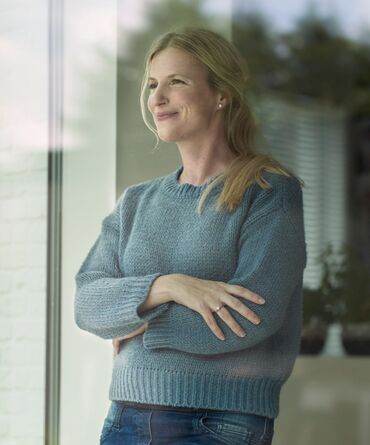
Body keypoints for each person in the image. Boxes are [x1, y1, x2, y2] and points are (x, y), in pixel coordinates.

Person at [74, 26, 307, 445]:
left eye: (176, 81)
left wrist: (137, 320)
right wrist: (169, 287)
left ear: (221, 94)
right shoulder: (136, 202)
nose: (157, 98)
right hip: (125, 418)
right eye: (152, 85)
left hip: (219, 423)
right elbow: (87, 301)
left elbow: (252, 315)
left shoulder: (269, 192)